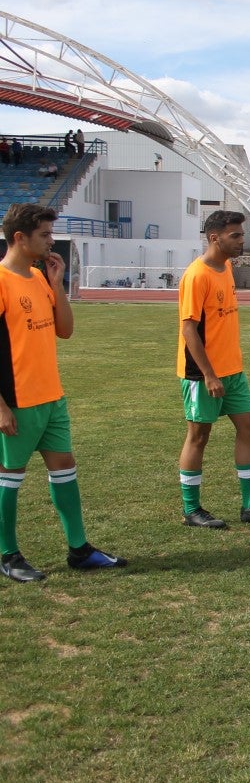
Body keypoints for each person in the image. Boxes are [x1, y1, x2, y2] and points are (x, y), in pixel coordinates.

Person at [0, 205, 127, 581]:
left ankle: (79, 550)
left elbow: (65, 330)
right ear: (20, 238)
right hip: (17, 400)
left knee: (65, 470)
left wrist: (56, 285)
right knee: (10, 477)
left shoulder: (39, 278)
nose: (52, 241)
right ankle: (8, 554)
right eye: (45, 235)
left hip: (51, 396)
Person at [177, 210, 250, 527]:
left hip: (233, 371)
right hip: (203, 374)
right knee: (198, 436)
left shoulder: (225, 267)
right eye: (236, 235)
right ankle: (191, 510)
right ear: (215, 238)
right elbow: (188, 330)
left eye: (242, 234)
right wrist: (209, 375)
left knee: (249, 428)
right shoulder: (197, 275)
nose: (243, 240)